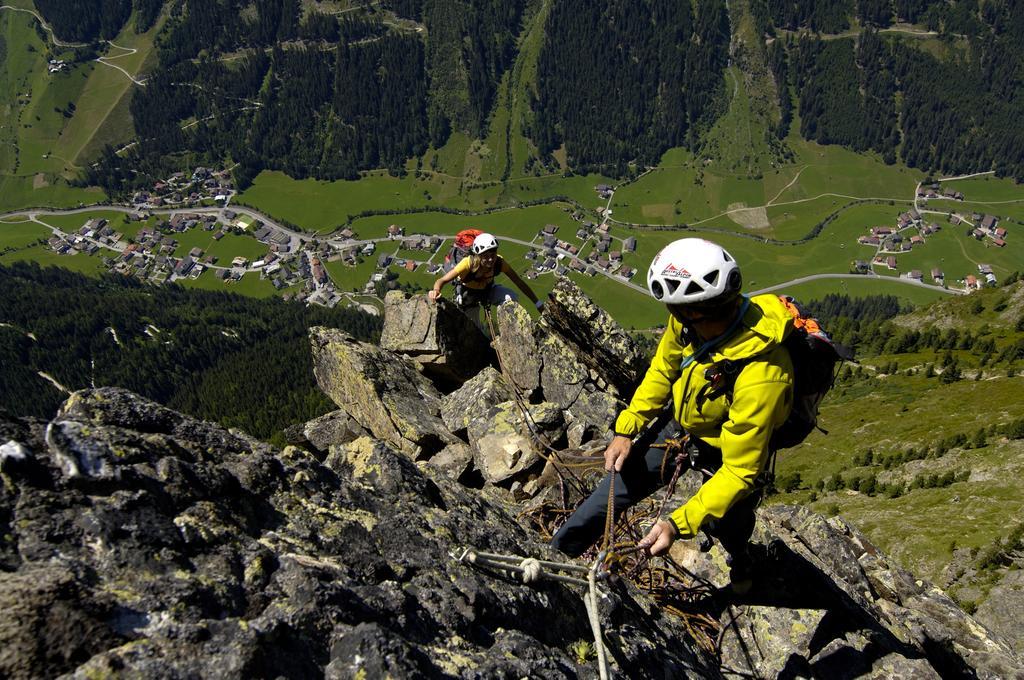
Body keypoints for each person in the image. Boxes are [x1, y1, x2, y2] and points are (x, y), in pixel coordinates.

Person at [550, 238, 795, 592]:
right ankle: (556, 553)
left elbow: (741, 470)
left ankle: (743, 560)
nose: (673, 317)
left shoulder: (763, 375)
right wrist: (627, 428)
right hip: (681, 424)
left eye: (677, 310)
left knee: (728, 520)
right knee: (614, 490)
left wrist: (678, 524)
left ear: (697, 310)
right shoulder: (689, 323)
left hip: (726, 449)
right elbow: (663, 370)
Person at [428, 233, 542, 328]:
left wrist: (538, 303)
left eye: (493, 254)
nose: (491, 259)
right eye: (486, 256)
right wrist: (436, 290)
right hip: (468, 298)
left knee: (511, 298)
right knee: (475, 329)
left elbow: (519, 282)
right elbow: (442, 280)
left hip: (488, 290)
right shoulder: (468, 263)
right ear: (478, 255)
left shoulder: (499, 262)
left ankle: (510, 331)